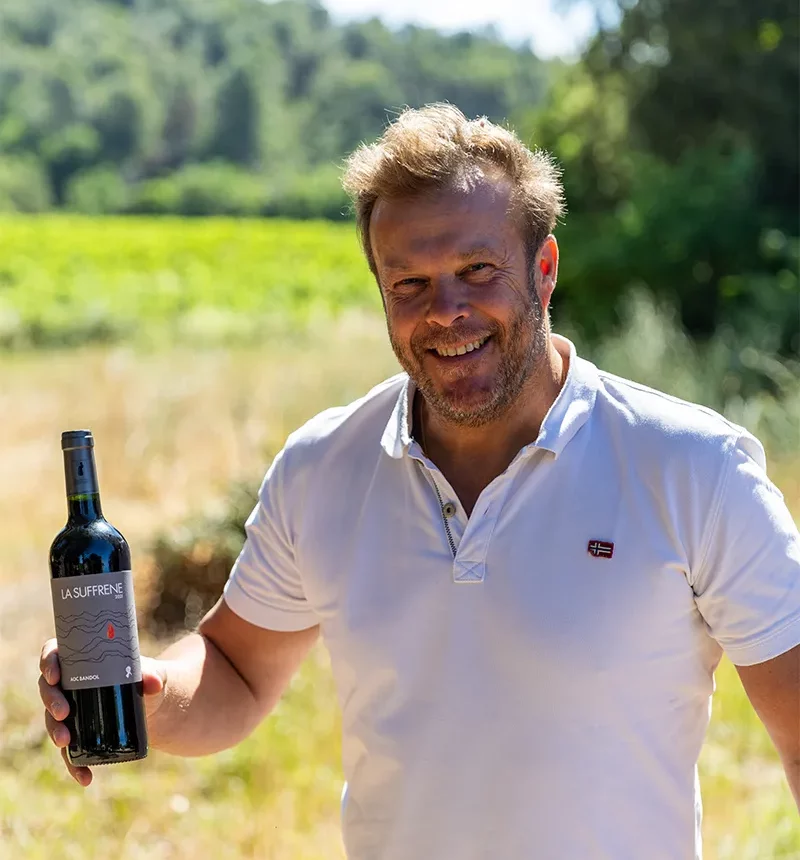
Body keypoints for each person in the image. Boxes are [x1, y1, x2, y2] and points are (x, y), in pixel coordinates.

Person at [39, 104, 800, 858]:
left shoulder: (693, 468)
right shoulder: (321, 468)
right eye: (409, 283)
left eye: (476, 271)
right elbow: (236, 670)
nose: (445, 312)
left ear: (543, 270)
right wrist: (144, 690)